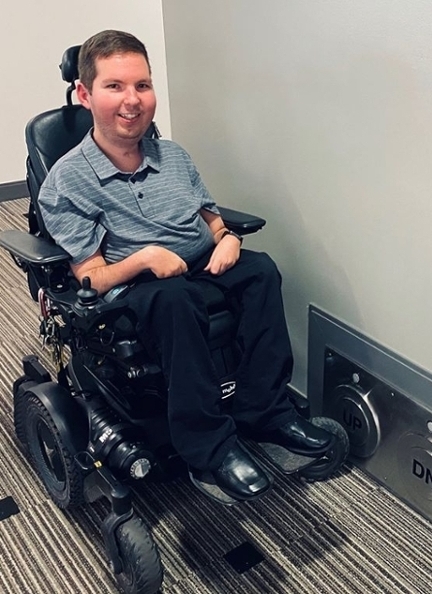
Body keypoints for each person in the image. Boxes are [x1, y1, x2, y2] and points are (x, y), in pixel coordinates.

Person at [37, 30, 332, 504]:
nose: (132, 101)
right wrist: (145, 258)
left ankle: (267, 411)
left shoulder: (172, 156)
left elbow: (212, 221)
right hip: (137, 289)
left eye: (143, 85)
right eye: (115, 86)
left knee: (260, 270)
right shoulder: (68, 180)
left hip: (197, 267)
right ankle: (208, 448)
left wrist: (228, 239)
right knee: (176, 299)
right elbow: (90, 276)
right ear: (85, 94)